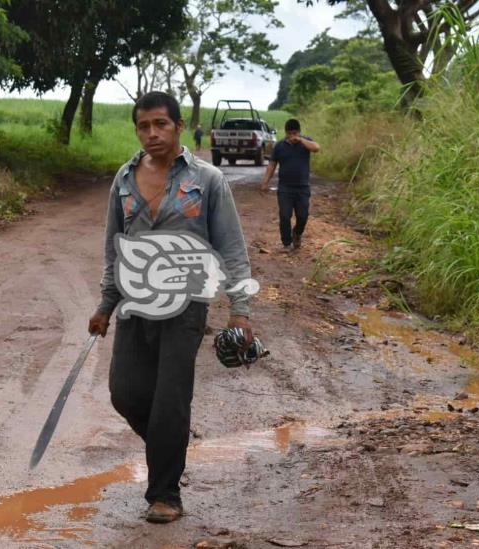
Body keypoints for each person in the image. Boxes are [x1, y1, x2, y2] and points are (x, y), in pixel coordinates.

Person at [88, 91, 253, 524]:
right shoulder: (124, 179)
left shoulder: (207, 179)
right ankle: (171, 441)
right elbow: (113, 249)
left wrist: (240, 310)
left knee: (169, 402)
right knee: (125, 394)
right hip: (134, 305)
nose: (151, 134)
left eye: (160, 124)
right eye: (143, 126)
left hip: (186, 306)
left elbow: (231, 247)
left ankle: (165, 494)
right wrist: (105, 304)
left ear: (179, 126)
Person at [260, 119, 320, 253]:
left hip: (303, 187)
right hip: (285, 188)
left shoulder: (306, 142)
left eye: (295, 133)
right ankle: (286, 243)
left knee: (303, 215)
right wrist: (265, 182)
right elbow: (272, 165)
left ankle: (297, 233)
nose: (293, 136)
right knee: (285, 215)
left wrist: (301, 140)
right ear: (286, 133)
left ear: (299, 132)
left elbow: (316, 148)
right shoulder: (280, 146)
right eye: (290, 133)